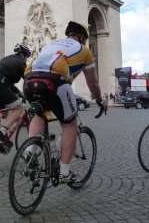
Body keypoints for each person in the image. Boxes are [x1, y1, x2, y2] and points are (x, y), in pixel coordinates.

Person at [23, 21, 107, 184]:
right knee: (69, 125)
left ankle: (29, 151)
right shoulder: (85, 51)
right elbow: (93, 83)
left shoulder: (50, 45)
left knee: (39, 114)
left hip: (29, 82)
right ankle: (64, 172)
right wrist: (99, 100)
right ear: (82, 38)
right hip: (54, 84)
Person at [0, 43, 32, 147]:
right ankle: (2, 132)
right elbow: (29, 81)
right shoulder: (21, 63)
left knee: (4, 113)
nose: (26, 60)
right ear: (23, 55)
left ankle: (3, 142)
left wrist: (19, 93)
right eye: (27, 57)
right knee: (19, 108)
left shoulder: (6, 59)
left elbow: (8, 83)